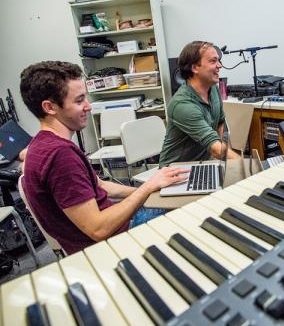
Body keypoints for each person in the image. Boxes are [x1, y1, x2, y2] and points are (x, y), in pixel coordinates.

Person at [20, 61, 188, 254]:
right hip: (112, 245)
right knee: (187, 206)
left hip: (112, 230)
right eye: (79, 100)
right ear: (50, 107)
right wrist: (150, 187)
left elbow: (100, 186)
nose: (88, 106)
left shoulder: (40, 144)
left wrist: (148, 190)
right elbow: (98, 229)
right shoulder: (60, 155)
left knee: (172, 196)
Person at [159, 41, 240, 167]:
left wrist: (225, 156)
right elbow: (215, 150)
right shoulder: (182, 105)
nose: (219, 66)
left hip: (201, 164)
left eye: (219, 61)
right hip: (174, 171)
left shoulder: (213, 89)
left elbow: (220, 122)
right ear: (195, 67)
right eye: (213, 61)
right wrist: (246, 166)